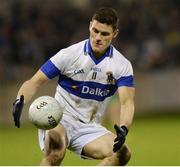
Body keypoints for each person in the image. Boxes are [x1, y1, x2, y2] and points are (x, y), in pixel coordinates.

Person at [12, 7, 135, 166]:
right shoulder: (69, 55)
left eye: (104, 34)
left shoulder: (122, 65)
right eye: (95, 30)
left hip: (89, 128)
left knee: (123, 154)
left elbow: (127, 103)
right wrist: (19, 99)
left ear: (115, 34)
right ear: (90, 26)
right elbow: (35, 81)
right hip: (59, 119)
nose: (98, 37)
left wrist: (124, 128)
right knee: (55, 154)